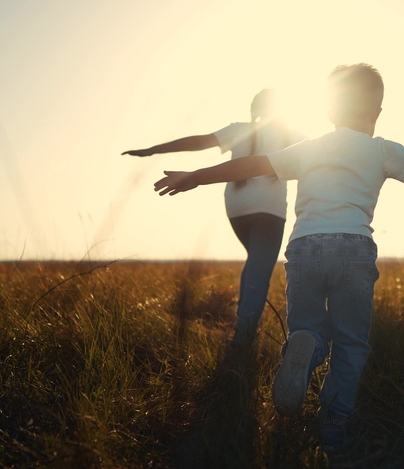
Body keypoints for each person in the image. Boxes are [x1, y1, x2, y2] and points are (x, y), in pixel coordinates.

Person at [153, 63, 404, 453]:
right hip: (353, 249)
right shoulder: (381, 149)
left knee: (308, 327)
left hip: (303, 249)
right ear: (377, 112)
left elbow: (252, 164)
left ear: (330, 111)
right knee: (352, 344)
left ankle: (306, 343)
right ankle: (333, 426)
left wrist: (197, 175)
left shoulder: (308, 149)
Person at [123, 89, 304, 347]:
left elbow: (197, 142)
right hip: (269, 211)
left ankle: (243, 327)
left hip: (237, 209)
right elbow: (325, 152)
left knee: (255, 263)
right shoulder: (293, 136)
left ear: (254, 109)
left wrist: (153, 150)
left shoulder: (239, 130)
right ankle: (242, 339)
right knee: (259, 269)